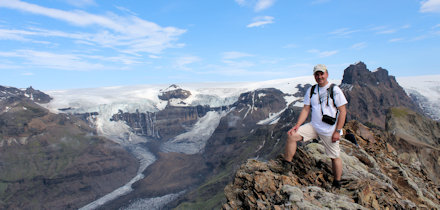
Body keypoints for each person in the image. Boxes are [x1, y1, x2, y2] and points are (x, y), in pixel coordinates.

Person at [283, 64, 347, 188]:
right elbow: (306, 109)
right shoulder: (312, 90)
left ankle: (337, 182)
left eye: (321, 74)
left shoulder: (335, 90)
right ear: (314, 76)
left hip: (329, 130)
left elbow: (343, 111)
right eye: (317, 74)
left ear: (327, 74)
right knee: (292, 135)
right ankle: (286, 165)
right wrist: (297, 125)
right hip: (314, 126)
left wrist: (337, 131)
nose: (319, 76)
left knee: (335, 157)